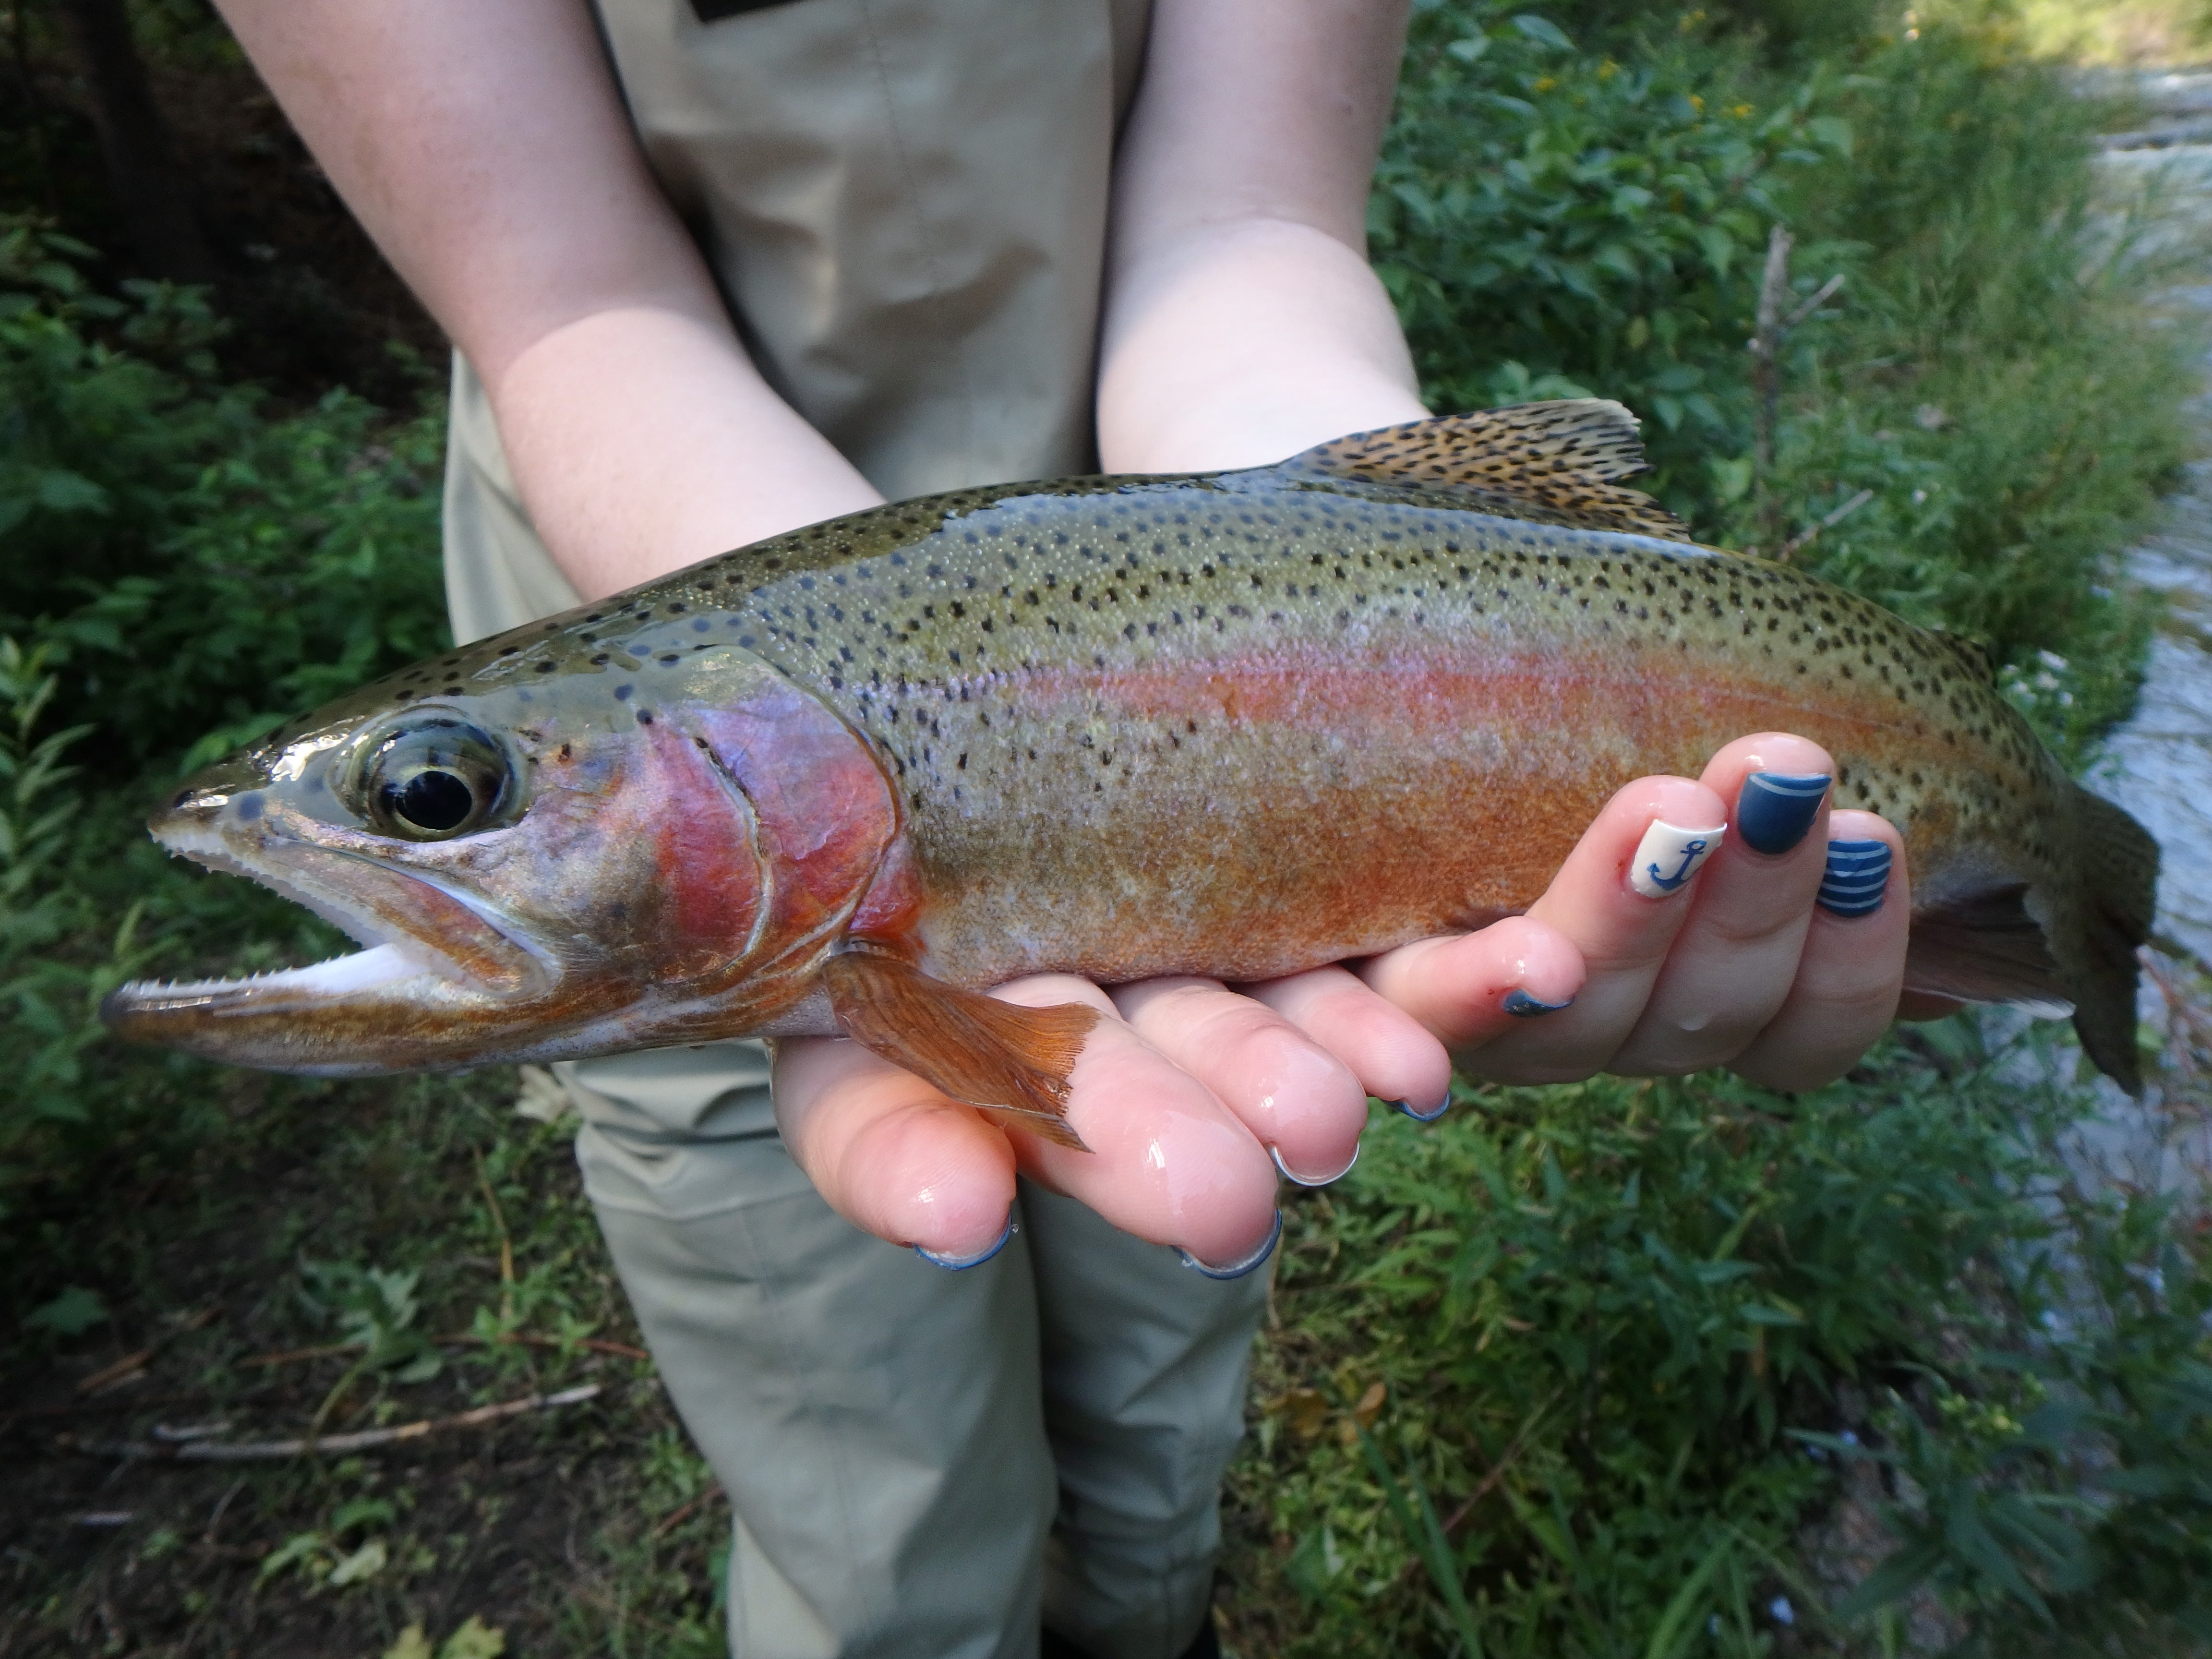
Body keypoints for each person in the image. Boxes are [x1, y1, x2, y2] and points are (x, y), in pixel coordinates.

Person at [208, 2, 1918, 1655]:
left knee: (1164, 1366)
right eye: (439, 800)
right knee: (876, 1503)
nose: (421, 823)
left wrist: (1319, 557)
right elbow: (573, 304)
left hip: (1197, 518)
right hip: (643, 542)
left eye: (435, 801)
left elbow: (1246, 213)